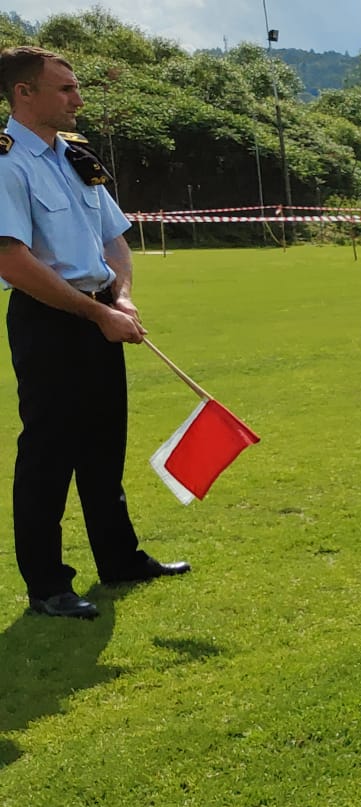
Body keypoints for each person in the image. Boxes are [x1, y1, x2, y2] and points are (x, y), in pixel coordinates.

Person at [0, 46, 186, 620]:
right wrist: (96, 312)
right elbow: (11, 260)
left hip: (102, 314)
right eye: (65, 89)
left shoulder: (76, 157)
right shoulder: (7, 163)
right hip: (49, 318)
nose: (78, 99)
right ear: (23, 93)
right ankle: (48, 585)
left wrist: (121, 297)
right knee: (49, 454)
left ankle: (119, 559)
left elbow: (113, 239)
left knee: (104, 446)